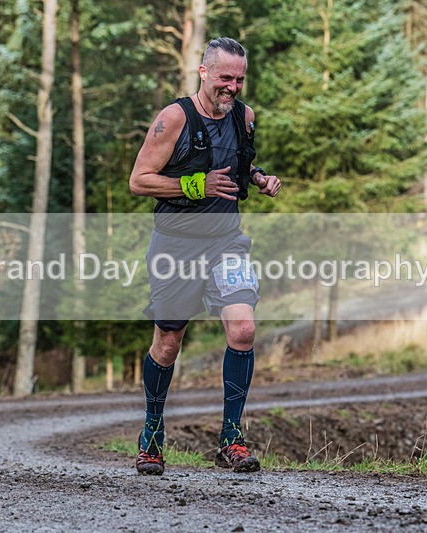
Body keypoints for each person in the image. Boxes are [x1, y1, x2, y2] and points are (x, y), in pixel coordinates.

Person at [128, 37, 281, 475]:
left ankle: (231, 439)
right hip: (175, 245)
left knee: (243, 327)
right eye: (224, 78)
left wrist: (259, 178)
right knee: (168, 342)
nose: (232, 87)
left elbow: (239, 165)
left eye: (239, 79)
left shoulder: (244, 118)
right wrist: (197, 185)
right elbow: (140, 181)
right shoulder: (174, 118)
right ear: (204, 73)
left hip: (225, 241)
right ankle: (152, 436)